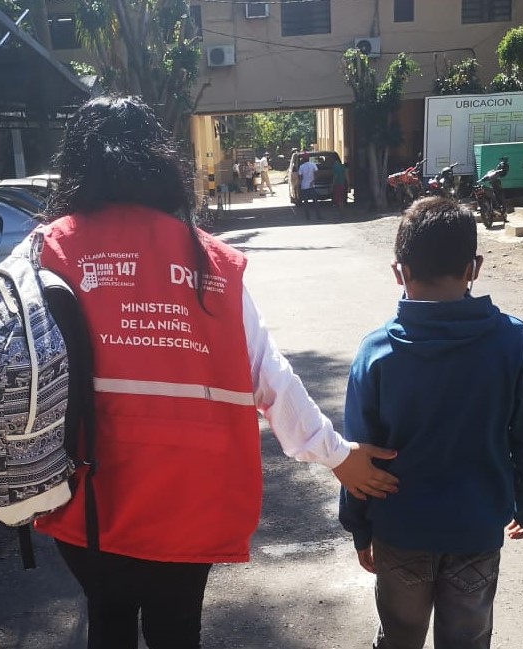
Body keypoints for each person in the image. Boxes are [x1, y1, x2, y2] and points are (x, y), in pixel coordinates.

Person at [33, 95, 399, 649]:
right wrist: (337, 456)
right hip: (193, 499)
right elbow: (268, 374)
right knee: (175, 628)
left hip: (85, 497)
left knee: (107, 616)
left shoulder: (48, 249)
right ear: (160, 162)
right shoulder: (212, 263)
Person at [340, 196, 523, 649]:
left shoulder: (375, 353)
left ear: (398, 271)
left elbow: (358, 455)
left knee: (399, 637)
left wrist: (359, 525)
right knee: (468, 639)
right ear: (473, 267)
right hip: (475, 531)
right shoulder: (512, 342)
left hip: (400, 532)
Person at [297, 154, 321, 220]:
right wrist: (313, 180)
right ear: (308, 159)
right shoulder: (313, 165)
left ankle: (308, 217)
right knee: (315, 201)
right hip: (312, 186)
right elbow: (317, 173)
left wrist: (300, 182)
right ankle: (318, 216)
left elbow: (300, 177)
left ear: (303, 159)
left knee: (306, 202)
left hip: (304, 187)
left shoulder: (301, 167)